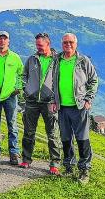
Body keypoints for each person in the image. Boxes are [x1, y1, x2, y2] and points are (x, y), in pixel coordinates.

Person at [56, 33, 98, 183]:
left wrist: (88, 99)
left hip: (79, 106)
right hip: (62, 107)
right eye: (65, 42)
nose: (68, 44)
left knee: (82, 139)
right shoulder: (57, 60)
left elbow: (94, 80)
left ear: (76, 44)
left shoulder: (82, 61)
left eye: (71, 42)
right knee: (66, 138)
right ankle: (69, 167)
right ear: (62, 44)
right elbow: (51, 81)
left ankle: (84, 170)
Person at [20, 33, 62, 175]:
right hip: (32, 101)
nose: (38, 48)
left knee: (52, 134)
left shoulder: (57, 60)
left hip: (49, 101)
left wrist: (56, 98)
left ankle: (55, 163)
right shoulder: (32, 59)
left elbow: (61, 80)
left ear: (48, 44)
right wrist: (26, 89)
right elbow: (23, 75)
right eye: (37, 45)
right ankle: (26, 159)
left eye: (40, 45)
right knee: (28, 132)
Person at [0, 31, 24, 165]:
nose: (2, 41)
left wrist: (18, 88)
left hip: (10, 96)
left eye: (5, 39)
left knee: (12, 125)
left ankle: (14, 153)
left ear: (8, 41)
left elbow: (21, 74)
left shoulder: (15, 57)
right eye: (0, 38)